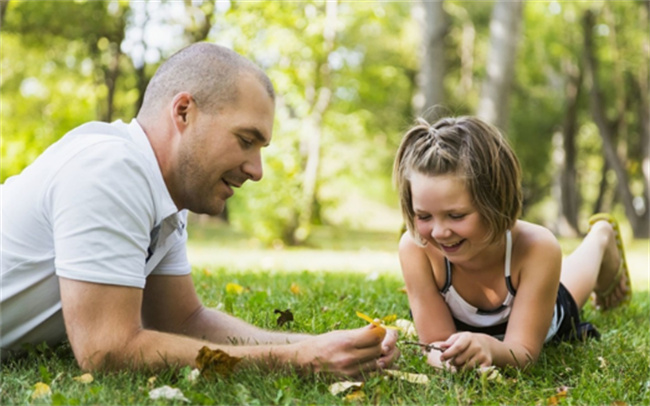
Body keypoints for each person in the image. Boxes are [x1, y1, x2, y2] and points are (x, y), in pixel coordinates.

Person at [1, 42, 399, 376]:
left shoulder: (163, 199)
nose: (256, 171)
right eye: (246, 140)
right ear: (184, 112)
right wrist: (296, 361)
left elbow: (184, 321)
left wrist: (322, 345)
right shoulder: (111, 169)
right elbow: (106, 351)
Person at [393, 116, 632, 370]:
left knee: (571, 288)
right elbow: (434, 343)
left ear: (495, 201)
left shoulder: (537, 247)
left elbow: (524, 352)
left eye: (456, 216)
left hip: (540, 312)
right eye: (424, 216)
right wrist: (451, 361)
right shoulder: (416, 248)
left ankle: (600, 237)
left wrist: (489, 349)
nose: (439, 232)